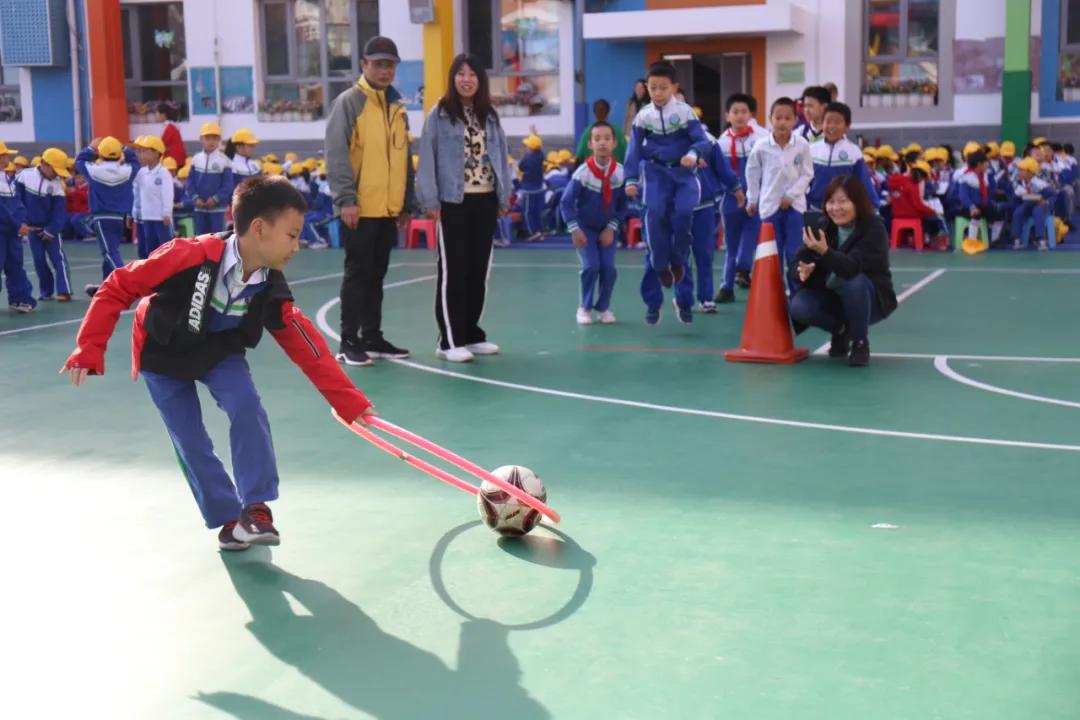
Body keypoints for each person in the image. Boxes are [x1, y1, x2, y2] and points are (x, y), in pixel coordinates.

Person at [60, 176, 375, 551]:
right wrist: (89, 348)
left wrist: (348, 401)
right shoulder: (190, 254)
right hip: (161, 351)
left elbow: (307, 346)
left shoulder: (270, 284)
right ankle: (229, 521)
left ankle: (256, 509)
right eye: (292, 235)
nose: (298, 245)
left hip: (218, 348)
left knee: (247, 407)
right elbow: (117, 286)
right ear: (258, 229)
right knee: (190, 439)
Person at [325, 35, 415, 367]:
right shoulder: (349, 103)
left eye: (389, 65)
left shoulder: (397, 107)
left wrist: (406, 203)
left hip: (388, 209)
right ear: (364, 65)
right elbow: (336, 155)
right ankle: (348, 341)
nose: (384, 70)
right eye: (377, 64)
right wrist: (346, 199)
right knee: (358, 273)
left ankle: (372, 336)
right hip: (358, 209)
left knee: (377, 274)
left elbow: (404, 157)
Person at [417, 53, 512, 363]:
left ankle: (471, 333)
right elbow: (428, 158)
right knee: (453, 271)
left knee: (478, 270)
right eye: (461, 73)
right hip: (453, 201)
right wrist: (430, 200)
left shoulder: (490, 115)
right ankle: (449, 340)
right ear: (453, 78)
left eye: (473, 74)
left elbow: (502, 156)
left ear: (481, 81)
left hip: (485, 199)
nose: (467, 79)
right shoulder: (440, 114)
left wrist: (503, 196)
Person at [788, 174, 897, 367]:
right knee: (798, 306)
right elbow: (798, 259)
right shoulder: (823, 225)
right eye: (831, 202)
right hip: (833, 299)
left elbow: (851, 267)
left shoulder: (874, 228)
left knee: (854, 282)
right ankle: (840, 330)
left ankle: (860, 342)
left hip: (869, 300)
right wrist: (801, 271)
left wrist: (824, 251)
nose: (836, 208)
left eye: (843, 202)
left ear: (858, 202)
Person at [624, 61, 711, 291]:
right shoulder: (643, 116)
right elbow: (633, 148)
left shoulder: (685, 112)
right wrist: (631, 179)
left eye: (663, 87)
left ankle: (678, 260)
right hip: (655, 174)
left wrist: (693, 154)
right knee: (654, 216)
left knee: (683, 215)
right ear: (647, 87)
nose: (658, 93)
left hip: (683, 175)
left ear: (674, 87)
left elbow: (703, 141)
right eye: (653, 88)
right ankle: (660, 264)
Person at [561, 120, 626, 325]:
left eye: (607, 138)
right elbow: (566, 202)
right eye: (597, 139)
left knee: (609, 269)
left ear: (614, 143)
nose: (602, 143)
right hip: (585, 228)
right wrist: (574, 229)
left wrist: (611, 227)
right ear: (590, 144)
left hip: (607, 229)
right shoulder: (583, 173)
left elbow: (623, 205)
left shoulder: (620, 173)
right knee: (591, 266)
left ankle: (604, 308)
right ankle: (584, 307)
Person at [744, 97, 814, 284]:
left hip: (796, 208)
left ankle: (797, 296)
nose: (782, 122)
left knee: (795, 254)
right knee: (772, 255)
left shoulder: (802, 145)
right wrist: (752, 200)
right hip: (769, 207)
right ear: (770, 119)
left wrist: (791, 195)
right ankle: (774, 299)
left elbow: (807, 174)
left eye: (787, 118)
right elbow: (752, 174)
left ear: (795, 120)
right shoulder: (761, 146)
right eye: (778, 117)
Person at [713, 93, 765, 303]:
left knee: (751, 234)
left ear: (751, 115)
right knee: (731, 243)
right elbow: (717, 173)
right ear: (727, 115)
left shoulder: (761, 139)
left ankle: (743, 268)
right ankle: (726, 287)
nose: (740, 116)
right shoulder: (721, 143)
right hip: (730, 199)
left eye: (744, 112)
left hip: (755, 198)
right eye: (735, 112)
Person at [76, 136, 139, 297]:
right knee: (111, 250)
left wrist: (91, 147)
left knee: (109, 253)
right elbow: (135, 162)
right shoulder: (127, 170)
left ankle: (127, 282)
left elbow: (80, 161)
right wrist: (124, 147)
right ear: (119, 154)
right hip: (119, 217)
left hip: (101, 217)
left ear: (100, 154)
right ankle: (107, 285)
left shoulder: (94, 170)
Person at [806, 102, 878, 229]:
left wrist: (874, 207)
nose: (832, 126)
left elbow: (863, 182)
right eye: (828, 121)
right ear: (822, 124)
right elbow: (804, 180)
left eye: (837, 122)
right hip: (815, 210)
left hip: (843, 212)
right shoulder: (811, 150)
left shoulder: (853, 152)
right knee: (816, 246)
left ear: (847, 126)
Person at [19, 148, 72, 302]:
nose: (57, 174)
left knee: (58, 259)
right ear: (44, 164)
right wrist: (20, 221)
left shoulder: (57, 186)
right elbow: (17, 200)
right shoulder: (24, 176)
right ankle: (45, 291)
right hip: (31, 229)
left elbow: (59, 212)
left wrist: (51, 230)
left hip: (51, 231)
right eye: (55, 170)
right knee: (39, 261)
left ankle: (65, 290)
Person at [0, 139, 35, 313]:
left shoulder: (7, 178)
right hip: (5, 230)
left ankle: (20, 299)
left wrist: (22, 222)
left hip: (11, 232)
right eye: (5, 154)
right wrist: (17, 225)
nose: (7, 158)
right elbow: (2, 209)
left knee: (15, 265)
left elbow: (17, 204)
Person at [186, 122, 234, 235]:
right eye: (207, 138)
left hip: (218, 209)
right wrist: (195, 198)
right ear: (201, 139)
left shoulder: (225, 161)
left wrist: (215, 199)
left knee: (217, 238)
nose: (211, 141)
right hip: (199, 208)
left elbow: (228, 185)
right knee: (200, 238)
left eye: (215, 138)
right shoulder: (196, 159)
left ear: (219, 140)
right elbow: (189, 182)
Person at [131, 135, 174, 259]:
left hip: (161, 218)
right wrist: (135, 213)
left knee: (166, 248)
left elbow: (168, 194)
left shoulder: (163, 173)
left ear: (156, 153)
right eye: (141, 151)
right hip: (146, 216)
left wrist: (167, 213)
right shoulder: (141, 172)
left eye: (145, 151)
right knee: (150, 249)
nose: (141, 155)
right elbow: (137, 193)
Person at [1010, 156, 1055, 250]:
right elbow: (1016, 199)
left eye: (1022, 170)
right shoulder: (1018, 183)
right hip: (1027, 206)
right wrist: (1018, 196)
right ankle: (1017, 239)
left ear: (1030, 172)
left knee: (1037, 211)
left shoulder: (1040, 184)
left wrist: (1046, 201)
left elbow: (1053, 196)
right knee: (1018, 211)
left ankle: (1041, 240)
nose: (1019, 172)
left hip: (1041, 207)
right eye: (1019, 170)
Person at [575, 99, 628, 164]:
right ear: (609, 113)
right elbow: (627, 154)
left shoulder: (587, 132)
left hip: (591, 173)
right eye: (597, 139)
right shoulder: (617, 132)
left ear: (594, 113)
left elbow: (579, 156)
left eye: (607, 138)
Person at [517, 131, 545, 241]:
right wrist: (535, 133)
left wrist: (525, 154)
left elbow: (521, 167)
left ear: (531, 148)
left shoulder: (528, 158)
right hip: (539, 188)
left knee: (527, 212)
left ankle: (531, 232)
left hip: (529, 189)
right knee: (537, 211)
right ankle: (539, 231)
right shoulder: (541, 155)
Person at [160, 101, 187, 168]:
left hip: (174, 160)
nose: (156, 115)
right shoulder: (172, 126)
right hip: (177, 158)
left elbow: (162, 145)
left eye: (157, 113)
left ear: (163, 114)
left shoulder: (169, 127)